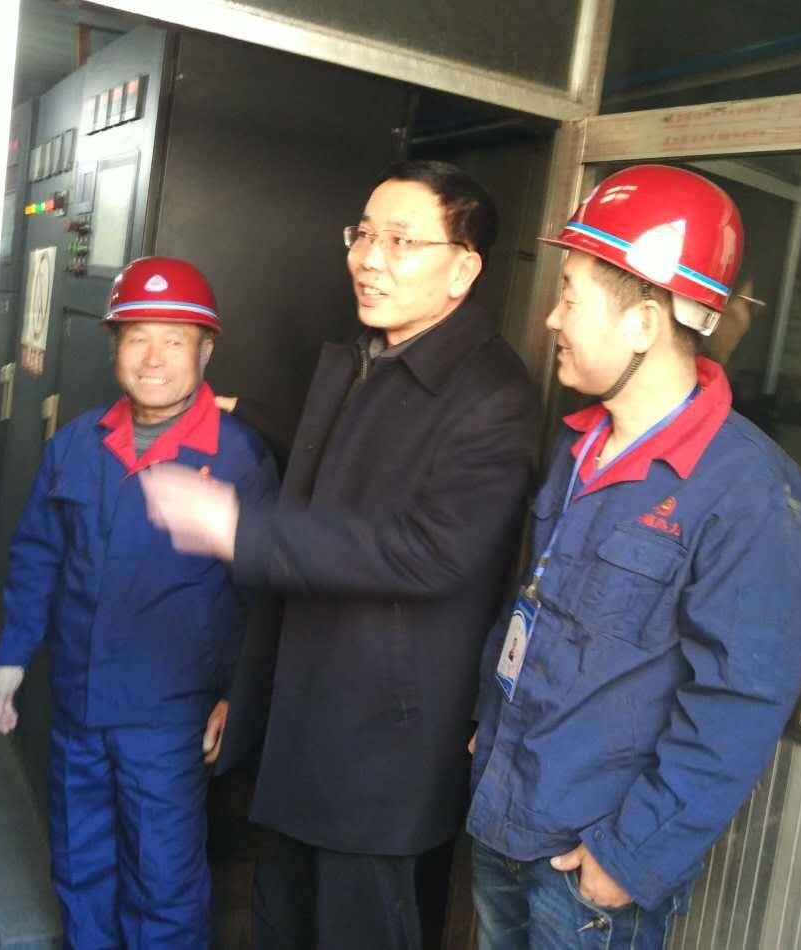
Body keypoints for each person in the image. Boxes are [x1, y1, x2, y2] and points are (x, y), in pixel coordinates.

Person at [140, 160, 541, 950]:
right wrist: (245, 693)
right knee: (281, 921)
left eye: (401, 241)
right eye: (363, 235)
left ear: (463, 270)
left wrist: (240, 528)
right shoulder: (363, 356)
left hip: (381, 747)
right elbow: (341, 461)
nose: (368, 259)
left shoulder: (493, 396)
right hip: (302, 720)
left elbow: (433, 550)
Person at [466, 164, 801, 949]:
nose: (551, 319)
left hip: (590, 863)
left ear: (644, 322)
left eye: (570, 297)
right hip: (504, 807)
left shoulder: (751, 491)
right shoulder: (580, 444)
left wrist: (631, 855)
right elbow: (537, 603)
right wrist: (491, 725)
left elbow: (740, 699)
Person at [0, 257, 278, 949]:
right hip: (77, 705)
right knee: (80, 867)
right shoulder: (76, 445)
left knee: (162, 880)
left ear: (205, 351)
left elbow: (265, 593)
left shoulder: (238, 457)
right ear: (114, 345)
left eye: (175, 340)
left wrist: (239, 696)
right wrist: (13, 658)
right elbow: (38, 556)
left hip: (170, 714)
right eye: (137, 337)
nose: (153, 358)